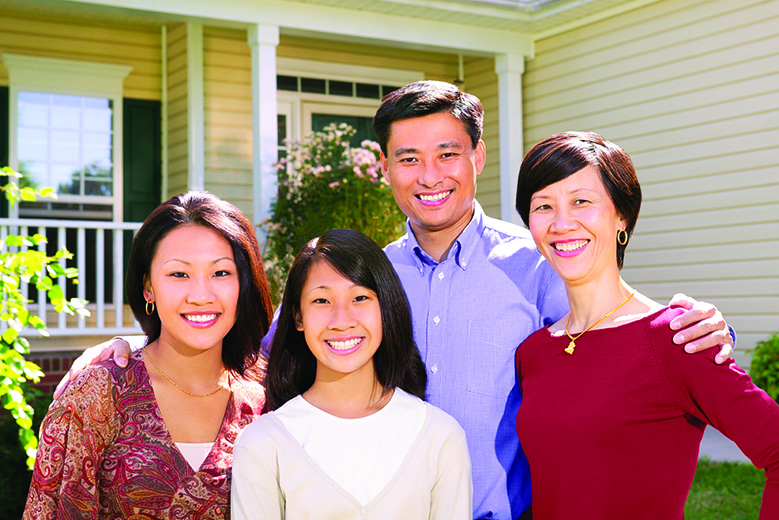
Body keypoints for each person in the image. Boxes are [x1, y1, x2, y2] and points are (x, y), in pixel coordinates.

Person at [56, 81, 735, 520]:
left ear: (475, 156)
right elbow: (263, 362)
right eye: (407, 158)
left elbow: (620, 320)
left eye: (446, 153)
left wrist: (703, 327)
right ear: (383, 167)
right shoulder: (364, 281)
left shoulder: (538, 266)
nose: (429, 175)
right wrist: (128, 358)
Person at [513, 131, 779, 519]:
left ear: (622, 216)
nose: (562, 223)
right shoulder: (533, 352)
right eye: (544, 206)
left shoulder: (677, 338)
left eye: (581, 201)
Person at [24, 192, 273, 519]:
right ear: (148, 288)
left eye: (221, 273)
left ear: (244, 284)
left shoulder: (268, 395)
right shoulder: (99, 396)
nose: (201, 295)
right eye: (179, 274)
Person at [231, 229, 472, 519]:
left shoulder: (440, 436)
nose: (342, 321)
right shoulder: (263, 443)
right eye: (321, 301)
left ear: (386, 307)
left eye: (359, 297)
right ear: (298, 316)